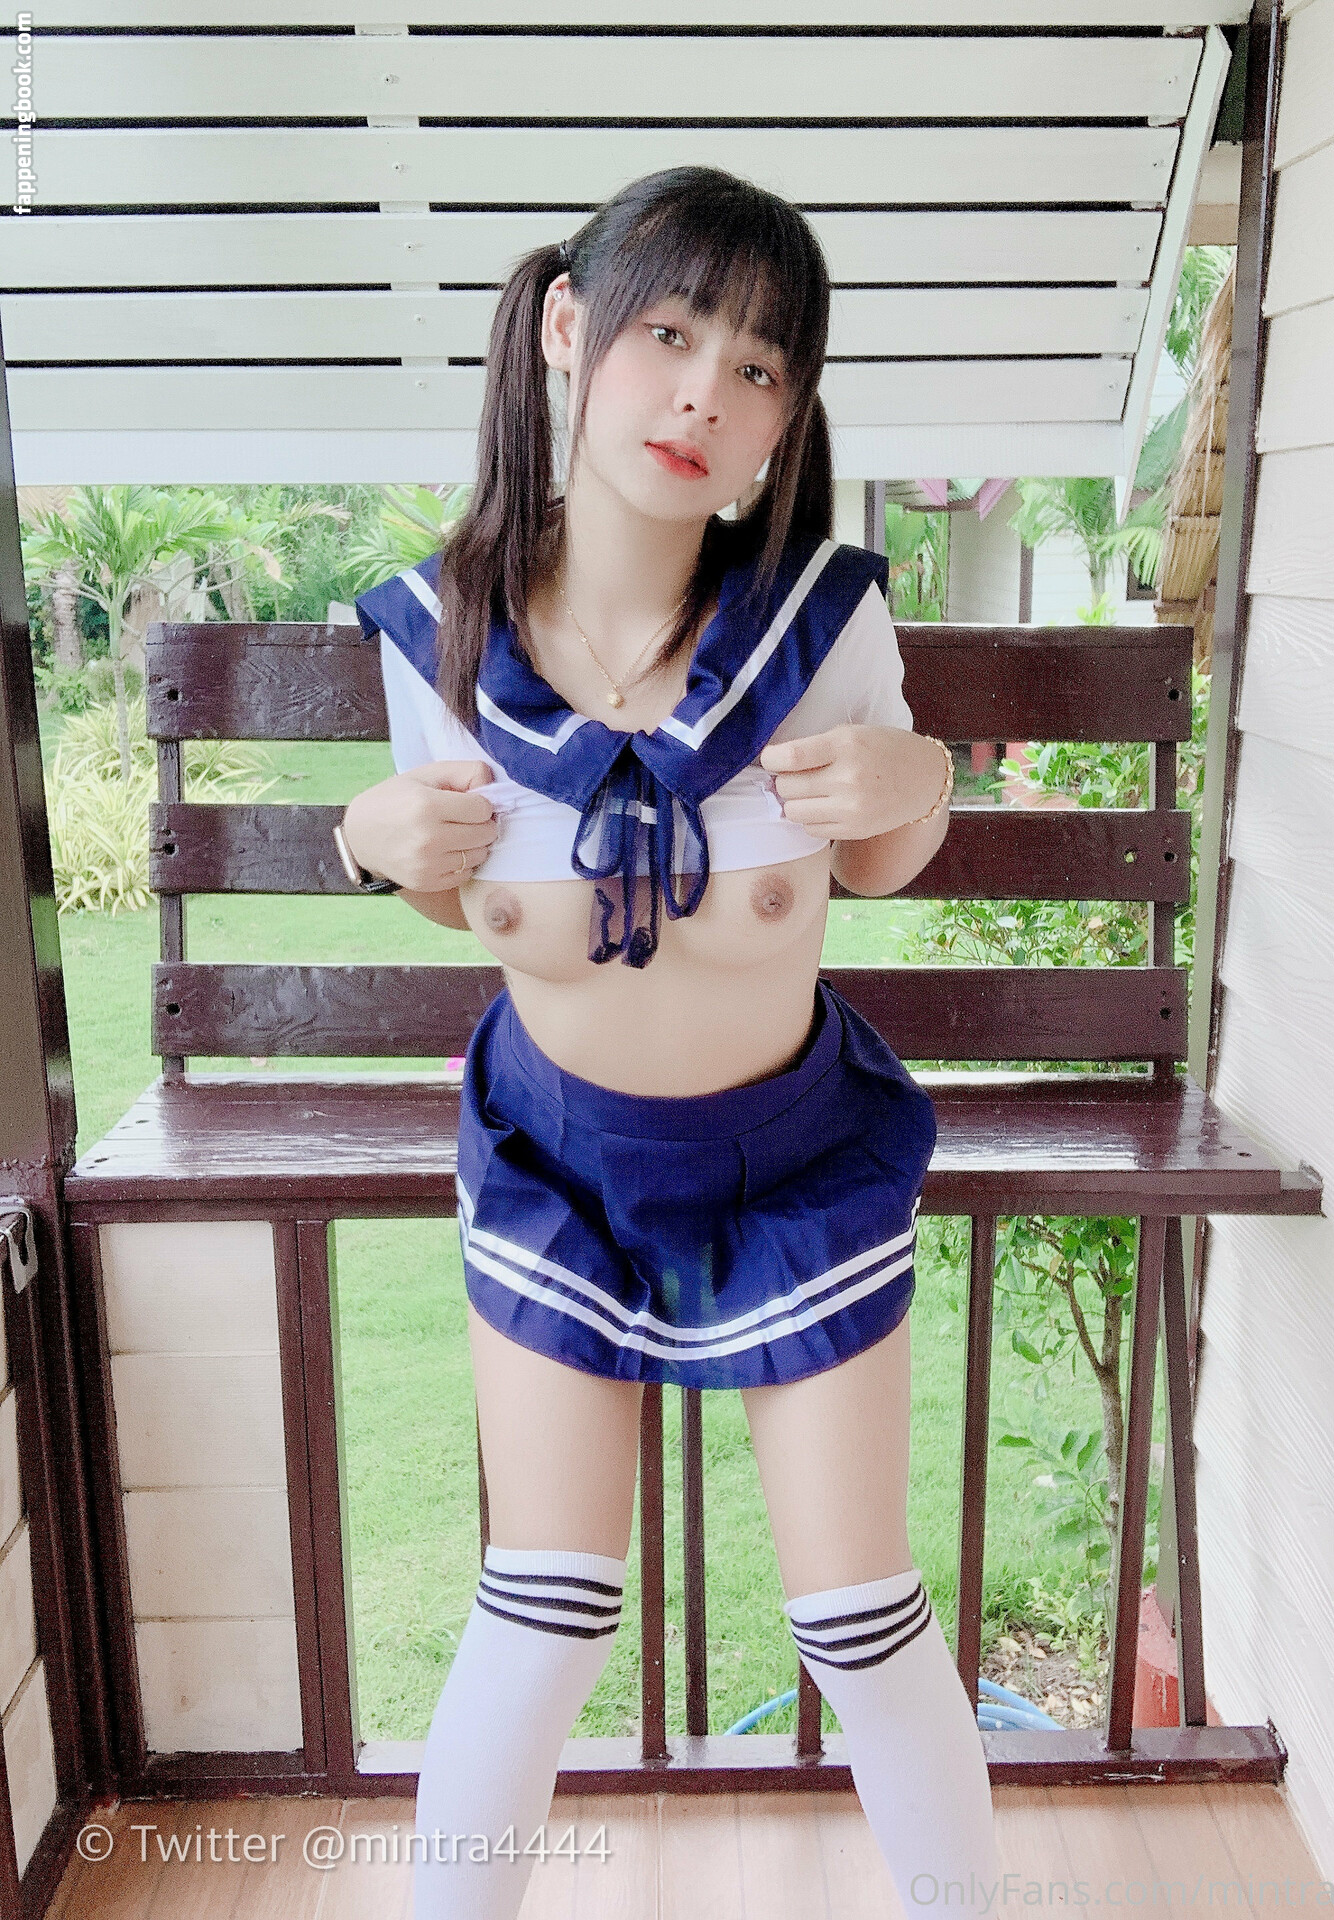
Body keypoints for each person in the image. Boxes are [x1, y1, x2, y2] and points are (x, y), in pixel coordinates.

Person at [344, 164, 998, 1920]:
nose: (708, 391)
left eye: (761, 366)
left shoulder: (820, 623)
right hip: (559, 1162)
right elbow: (470, 900)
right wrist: (369, 841)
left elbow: (881, 855)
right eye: (672, 332)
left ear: (790, 420)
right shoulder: (437, 634)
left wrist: (926, 775)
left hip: (795, 1162)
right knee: (542, 1612)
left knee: (860, 1621)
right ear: (571, 328)